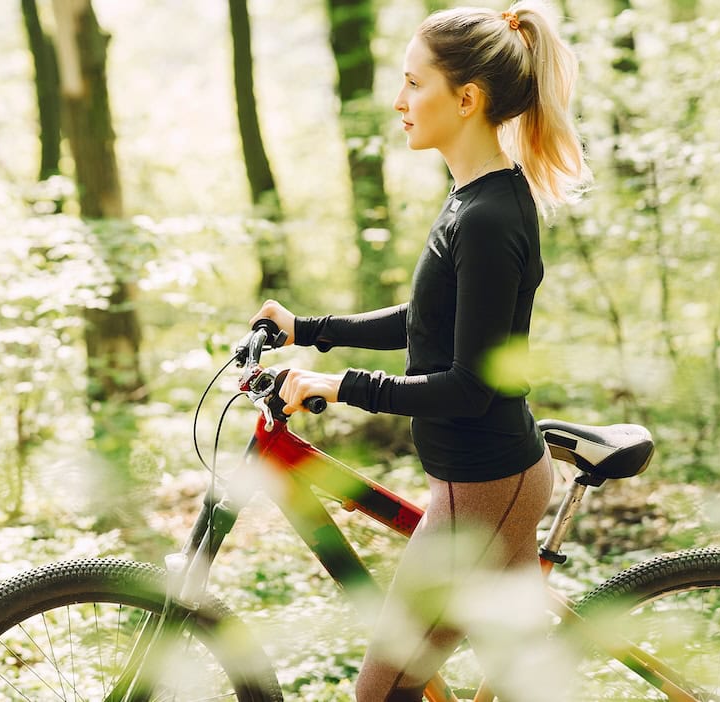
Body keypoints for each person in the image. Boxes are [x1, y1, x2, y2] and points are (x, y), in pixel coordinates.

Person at [249, 2, 590, 700]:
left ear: (466, 99)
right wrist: (306, 329)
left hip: (483, 488)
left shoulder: (489, 217)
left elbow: (468, 385)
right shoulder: (472, 196)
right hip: (478, 481)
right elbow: (428, 320)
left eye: (413, 83)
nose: (398, 101)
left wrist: (337, 385)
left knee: (379, 692)